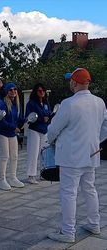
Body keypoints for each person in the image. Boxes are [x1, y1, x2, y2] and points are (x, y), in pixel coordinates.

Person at [47, 68, 107, 243]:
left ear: (74, 82)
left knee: (69, 193)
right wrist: (96, 141)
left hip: (71, 157)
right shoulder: (100, 102)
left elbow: (54, 129)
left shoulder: (69, 103)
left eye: (70, 81)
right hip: (91, 154)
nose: (70, 84)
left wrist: (50, 141)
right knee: (90, 189)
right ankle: (94, 223)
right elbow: (105, 127)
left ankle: (68, 232)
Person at [0, 83, 25, 190]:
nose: (13, 91)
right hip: (3, 133)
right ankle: (2, 180)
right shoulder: (3, 104)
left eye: (15, 89)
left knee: (15, 156)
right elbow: (1, 120)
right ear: (7, 92)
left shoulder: (17, 104)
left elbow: (19, 118)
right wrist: (13, 127)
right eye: (10, 90)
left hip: (12, 133)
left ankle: (13, 177)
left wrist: (25, 121)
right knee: (5, 156)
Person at [25, 83, 51, 184]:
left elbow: (49, 113)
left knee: (44, 153)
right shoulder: (31, 103)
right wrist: (41, 118)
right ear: (36, 92)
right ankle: (31, 175)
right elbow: (29, 117)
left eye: (43, 91)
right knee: (33, 153)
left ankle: (43, 173)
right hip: (34, 130)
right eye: (40, 91)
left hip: (44, 130)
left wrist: (48, 118)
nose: (42, 93)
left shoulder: (45, 103)